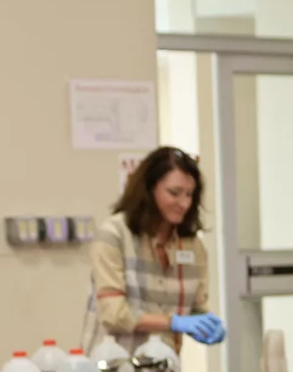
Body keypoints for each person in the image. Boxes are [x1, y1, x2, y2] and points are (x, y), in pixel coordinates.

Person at [89, 146, 226, 356]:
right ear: (149, 190)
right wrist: (173, 322)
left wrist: (208, 324)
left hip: (163, 365)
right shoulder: (115, 235)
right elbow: (113, 313)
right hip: (114, 365)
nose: (184, 203)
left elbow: (195, 308)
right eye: (174, 193)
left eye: (190, 194)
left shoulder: (194, 247)